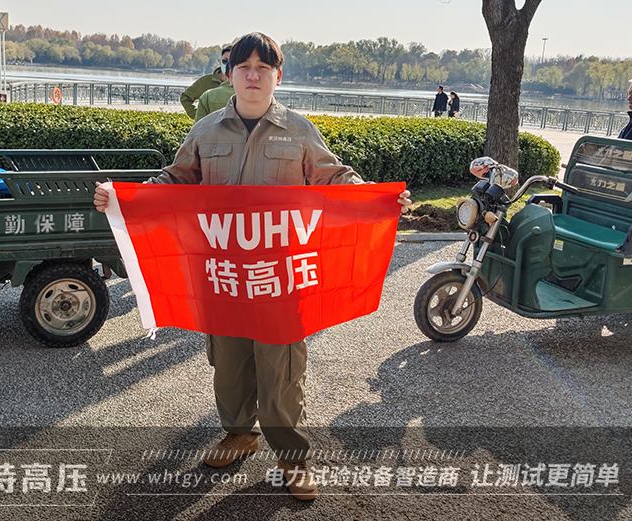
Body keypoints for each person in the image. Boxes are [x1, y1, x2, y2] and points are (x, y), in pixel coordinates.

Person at [94, 32, 411, 501]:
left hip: (279, 277)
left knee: (281, 369)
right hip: (223, 276)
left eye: (263, 67)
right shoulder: (205, 132)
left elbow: (334, 177)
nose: (253, 75)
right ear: (229, 75)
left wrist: (375, 197)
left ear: (278, 76)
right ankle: (238, 434)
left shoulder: (298, 131)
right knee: (229, 363)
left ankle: (292, 457)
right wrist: (126, 198)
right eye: (244, 67)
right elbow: (176, 180)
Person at [180, 45, 232, 120]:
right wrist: (199, 116)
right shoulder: (205, 81)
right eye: (225, 61)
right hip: (208, 126)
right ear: (220, 62)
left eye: (231, 61)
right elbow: (185, 97)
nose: (228, 64)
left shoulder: (241, 83)